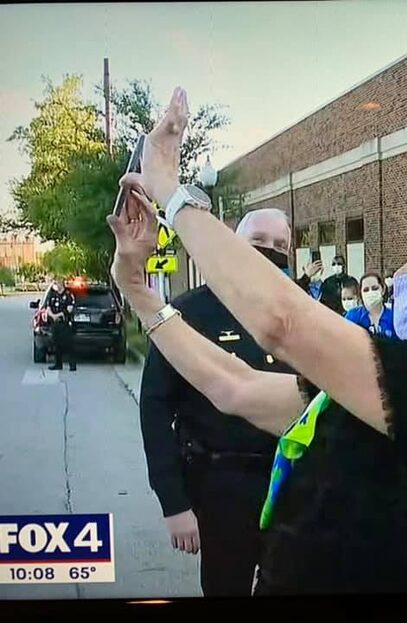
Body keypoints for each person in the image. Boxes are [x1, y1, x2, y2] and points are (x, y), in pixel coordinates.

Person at [107, 86, 407, 595]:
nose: (403, 272)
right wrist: (138, 290)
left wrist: (170, 188)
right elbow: (235, 386)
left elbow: (282, 321)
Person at [139, 208, 297, 597]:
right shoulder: (189, 313)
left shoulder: (302, 313)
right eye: (258, 242)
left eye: (280, 245)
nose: (269, 252)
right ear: (232, 243)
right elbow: (156, 407)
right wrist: (173, 503)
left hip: (293, 485)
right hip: (222, 485)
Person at [345, 272, 396, 338]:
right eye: (366, 290)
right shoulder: (352, 316)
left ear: (383, 290)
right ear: (360, 293)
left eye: (375, 288)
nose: (370, 292)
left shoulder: (394, 317)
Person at [45, 275, 77, 372]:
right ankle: (58, 364)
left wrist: (58, 315)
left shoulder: (68, 295)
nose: (56, 285)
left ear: (62, 283)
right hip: (55, 323)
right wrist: (52, 315)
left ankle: (72, 364)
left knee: (68, 344)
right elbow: (48, 307)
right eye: (55, 283)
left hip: (65, 323)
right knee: (56, 344)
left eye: (58, 283)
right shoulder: (53, 295)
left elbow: (69, 309)